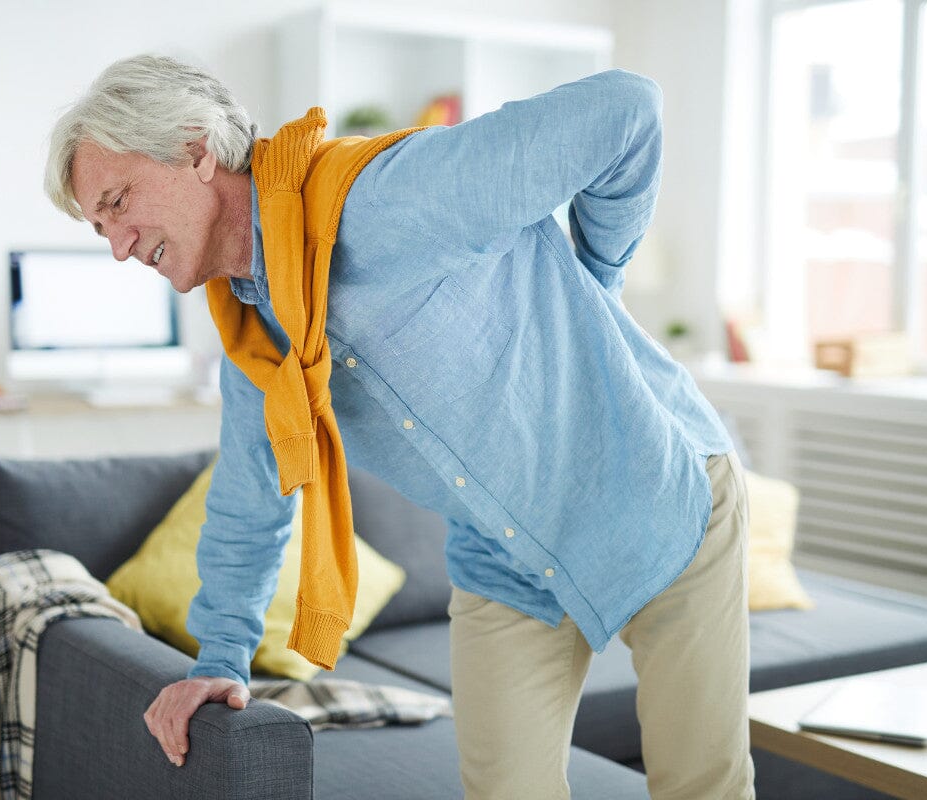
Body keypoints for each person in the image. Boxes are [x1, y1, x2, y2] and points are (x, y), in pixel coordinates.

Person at [44, 53, 755, 800]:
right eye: (102, 229)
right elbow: (252, 500)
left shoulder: (390, 196)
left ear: (194, 149)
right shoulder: (255, 336)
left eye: (119, 202)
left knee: (700, 788)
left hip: (654, 496)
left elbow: (626, 109)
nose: (120, 245)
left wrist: (597, 280)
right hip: (506, 563)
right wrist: (221, 660)